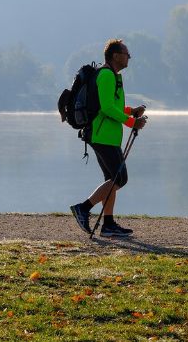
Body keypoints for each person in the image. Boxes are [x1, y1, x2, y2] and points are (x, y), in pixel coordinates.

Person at [70, 39, 146, 237]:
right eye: (126, 53)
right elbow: (106, 108)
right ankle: (83, 208)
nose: (129, 56)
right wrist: (131, 122)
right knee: (120, 179)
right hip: (101, 135)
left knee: (111, 180)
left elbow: (113, 106)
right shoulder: (106, 75)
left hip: (108, 136)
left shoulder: (113, 75)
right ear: (115, 55)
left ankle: (108, 225)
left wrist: (131, 111)